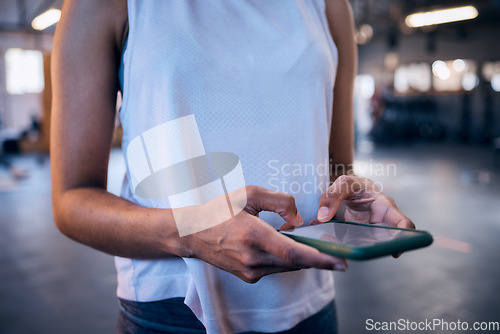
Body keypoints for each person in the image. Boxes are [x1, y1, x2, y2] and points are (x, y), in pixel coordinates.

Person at [51, 1, 415, 333]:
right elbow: (73, 199)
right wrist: (191, 233)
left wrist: (348, 199)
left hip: (308, 306)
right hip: (173, 313)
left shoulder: (330, 7)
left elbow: (335, 167)